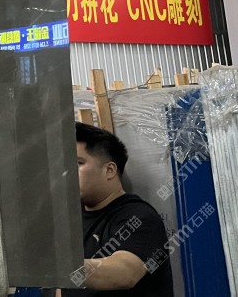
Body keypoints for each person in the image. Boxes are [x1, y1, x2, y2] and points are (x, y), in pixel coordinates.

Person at [63, 122, 173, 296]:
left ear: (109, 170)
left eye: (77, 163)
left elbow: (125, 273)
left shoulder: (139, 217)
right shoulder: (71, 222)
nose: (65, 173)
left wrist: (54, 268)